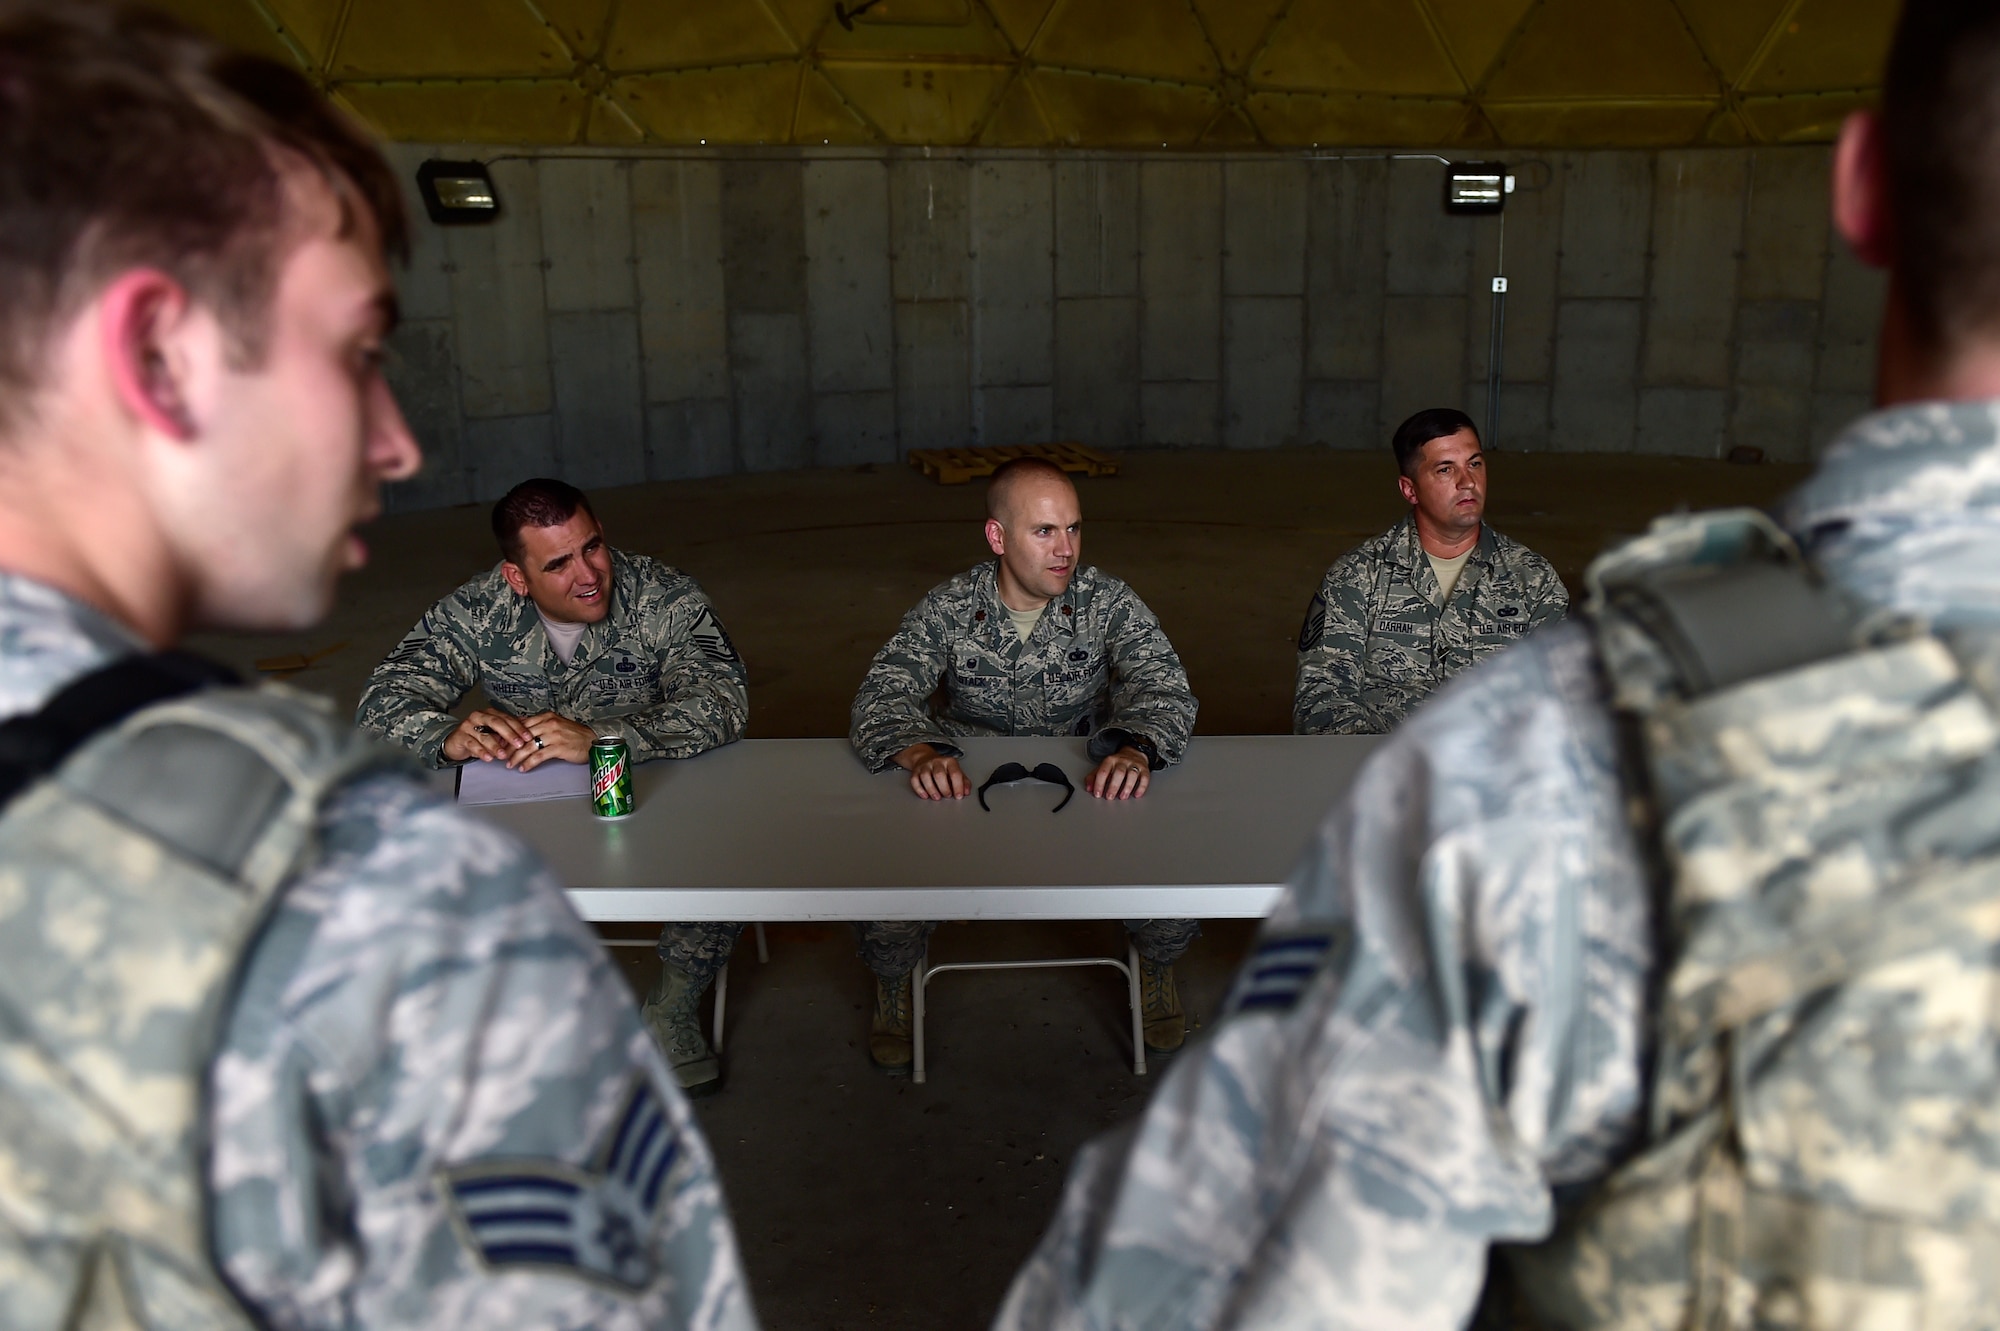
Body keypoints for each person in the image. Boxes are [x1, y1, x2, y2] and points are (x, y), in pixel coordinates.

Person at [995, 4, 2000, 1328]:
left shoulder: (1561, 746)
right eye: (1449, 467)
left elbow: (1199, 1278)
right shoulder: (1437, 643)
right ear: (1412, 481)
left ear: (1859, 185)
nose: (1472, 482)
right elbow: (1325, 706)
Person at [0, 6, 755, 1327]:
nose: (396, 440)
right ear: (158, 352)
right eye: (355, 353)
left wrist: (596, 746)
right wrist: (466, 735)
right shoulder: (349, 876)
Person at [355, 477, 751, 1095]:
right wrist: (446, 734)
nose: (590, 574)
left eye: (592, 546)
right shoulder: (475, 611)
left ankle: (672, 1009)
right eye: (559, 564)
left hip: (650, 791)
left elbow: (725, 701)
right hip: (529, 804)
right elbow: (382, 701)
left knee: (722, 845)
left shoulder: (664, 598)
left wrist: (602, 736)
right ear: (518, 578)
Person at [850, 458, 1201, 1074]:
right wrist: (920, 752)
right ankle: (896, 985)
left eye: (1073, 529)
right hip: (965, 789)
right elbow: (882, 694)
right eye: (1044, 532)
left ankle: (1155, 967)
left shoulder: (1106, 600)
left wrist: (1135, 746)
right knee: (886, 892)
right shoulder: (952, 606)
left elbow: (1164, 686)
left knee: (1172, 890)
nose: (1065, 549)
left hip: (1087, 782)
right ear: (998, 537)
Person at [1293, 408, 1568, 736]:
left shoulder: (1533, 581)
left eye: (1475, 464)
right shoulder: (1357, 578)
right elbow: (1320, 698)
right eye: (1445, 469)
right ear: (1409, 489)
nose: (1468, 482)